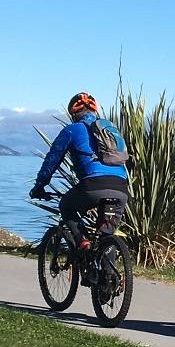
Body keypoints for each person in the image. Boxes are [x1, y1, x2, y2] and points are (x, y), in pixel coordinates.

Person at [31, 92, 130, 246]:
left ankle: (83, 242)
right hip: (121, 188)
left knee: (66, 206)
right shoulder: (110, 130)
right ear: (94, 111)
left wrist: (39, 186)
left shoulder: (73, 129)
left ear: (74, 114)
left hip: (93, 186)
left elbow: (52, 160)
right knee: (106, 236)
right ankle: (107, 269)